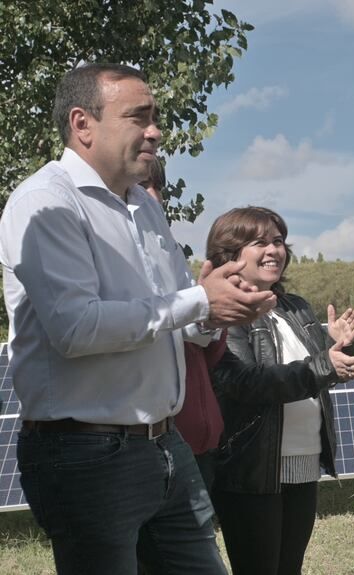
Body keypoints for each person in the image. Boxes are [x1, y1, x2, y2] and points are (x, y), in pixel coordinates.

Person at [0, 63, 275, 573]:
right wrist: (198, 302)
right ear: (82, 124)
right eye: (138, 117)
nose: (155, 132)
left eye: (155, 118)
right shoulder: (45, 203)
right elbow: (76, 329)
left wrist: (217, 310)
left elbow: (177, 318)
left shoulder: (143, 208)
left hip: (165, 444)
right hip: (85, 454)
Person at [207, 206, 354, 575]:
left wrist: (344, 347)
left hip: (303, 461)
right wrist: (326, 365)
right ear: (230, 253)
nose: (274, 250)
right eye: (259, 242)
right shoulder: (225, 313)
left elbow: (321, 369)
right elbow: (247, 383)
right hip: (252, 471)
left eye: (278, 241)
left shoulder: (295, 308)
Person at [139, 157, 226, 492]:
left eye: (157, 187)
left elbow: (196, 337)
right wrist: (200, 304)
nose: (154, 196)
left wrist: (211, 316)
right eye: (142, 186)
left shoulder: (168, 252)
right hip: (143, 440)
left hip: (189, 438)